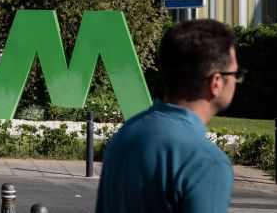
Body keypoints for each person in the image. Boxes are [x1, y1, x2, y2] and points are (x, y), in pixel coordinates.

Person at [96, 19, 243, 213]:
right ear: (216, 82)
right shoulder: (206, 161)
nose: (237, 80)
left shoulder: (126, 133)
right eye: (236, 74)